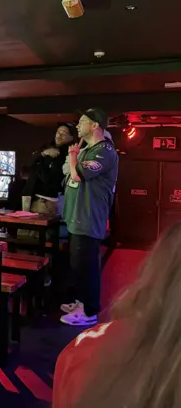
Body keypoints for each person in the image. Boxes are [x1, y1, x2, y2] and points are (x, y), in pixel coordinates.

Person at [53, 223, 181, 408]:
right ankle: (83, 305)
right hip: (79, 224)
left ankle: (87, 309)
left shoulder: (84, 353)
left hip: (86, 226)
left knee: (86, 266)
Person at [60, 108, 118, 326]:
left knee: (87, 266)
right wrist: (75, 157)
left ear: (95, 125)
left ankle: (89, 310)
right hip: (76, 216)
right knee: (77, 265)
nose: (77, 126)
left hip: (89, 217)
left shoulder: (104, 150)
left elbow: (77, 174)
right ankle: (80, 302)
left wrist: (73, 157)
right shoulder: (88, 149)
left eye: (82, 122)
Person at [24, 122, 77, 217]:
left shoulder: (68, 155)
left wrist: (39, 162)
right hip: (33, 199)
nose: (59, 135)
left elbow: (47, 178)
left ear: (71, 137)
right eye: (58, 132)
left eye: (64, 133)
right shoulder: (47, 148)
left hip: (46, 202)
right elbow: (29, 165)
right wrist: (43, 154)